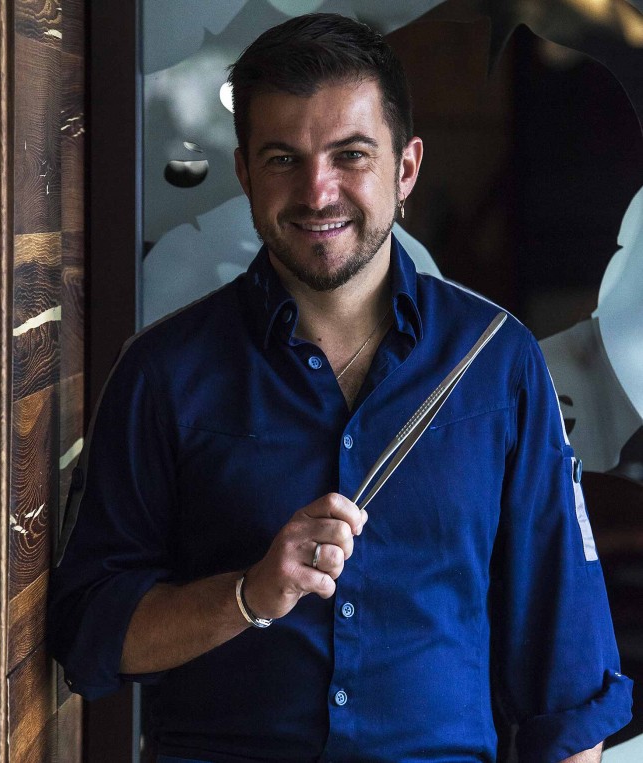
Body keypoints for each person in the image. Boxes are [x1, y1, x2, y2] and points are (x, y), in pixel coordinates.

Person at [48, 13, 632, 763]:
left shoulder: (498, 363)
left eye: (349, 155)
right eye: (283, 158)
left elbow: (566, 684)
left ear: (407, 168)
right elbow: (92, 632)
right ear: (244, 174)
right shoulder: (163, 372)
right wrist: (248, 595)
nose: (317, 191)